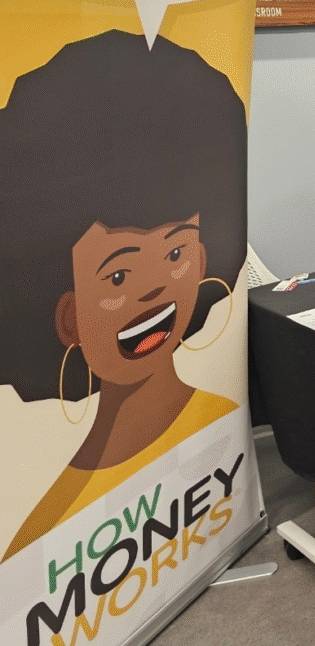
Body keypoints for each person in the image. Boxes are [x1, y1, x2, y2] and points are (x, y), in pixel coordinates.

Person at [0, 30, 247, 559]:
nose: (155, 286)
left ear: (204, 261)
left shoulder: (224, 422)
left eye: (176, 252)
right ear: (67, 316)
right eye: (118, 276)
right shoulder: (40, 536)